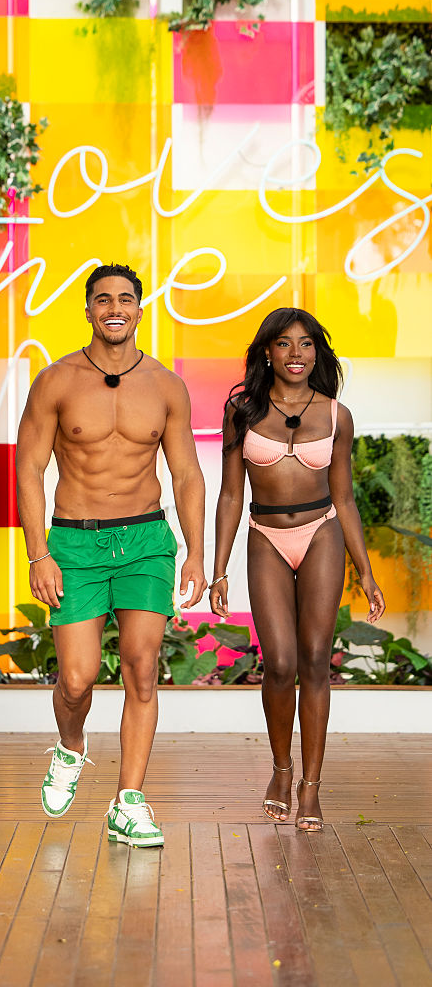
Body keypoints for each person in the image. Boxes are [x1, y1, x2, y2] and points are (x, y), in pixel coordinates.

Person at [16, 262, 206, 847]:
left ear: (139, 310)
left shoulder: (166, 386)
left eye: (125, 299)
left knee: (142, 668)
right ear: (88, 310)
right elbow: (28, 470)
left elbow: (187, 474)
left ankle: (129, 802)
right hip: (75, 542)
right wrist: (38, 554)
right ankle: (70, 746)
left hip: (146, 540)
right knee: (76, 680)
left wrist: (196, 552)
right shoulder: (56, 381)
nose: (115, 308)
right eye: (103, 299)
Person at [210, 307, 385, 831]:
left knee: (314, 659)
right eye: (284, 343)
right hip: (265, 535)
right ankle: (281, 770)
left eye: (306, 344)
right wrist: (219, 569)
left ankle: (311, 786)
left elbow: (345, 499)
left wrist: (366, 572)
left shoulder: (336, 416)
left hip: (321, 532)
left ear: (317, 352)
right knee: (281, 663)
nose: (296, 354)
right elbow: (230, 495)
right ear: (267, 351)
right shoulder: (242, 411)